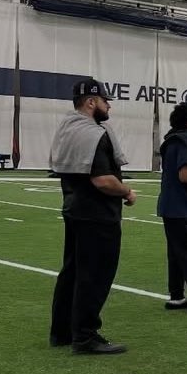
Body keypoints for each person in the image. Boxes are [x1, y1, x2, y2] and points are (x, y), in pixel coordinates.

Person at [48, 79, 136, 354]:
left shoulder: (68, 128)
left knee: (72, 272)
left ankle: (62, 331)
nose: (108, 105)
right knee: (94, 275)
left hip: (74, 209)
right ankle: (85, 335)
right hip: (98, 214)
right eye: (104, 100)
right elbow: (103, 181)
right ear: (91, 102)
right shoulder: (94, 134)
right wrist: (127, 192)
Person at [157, 101, 187, 312]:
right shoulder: (182, 141)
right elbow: (185, 175)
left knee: (177, 254)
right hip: (184, 206)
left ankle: (177, 296)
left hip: (174, 206)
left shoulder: (176, 139)